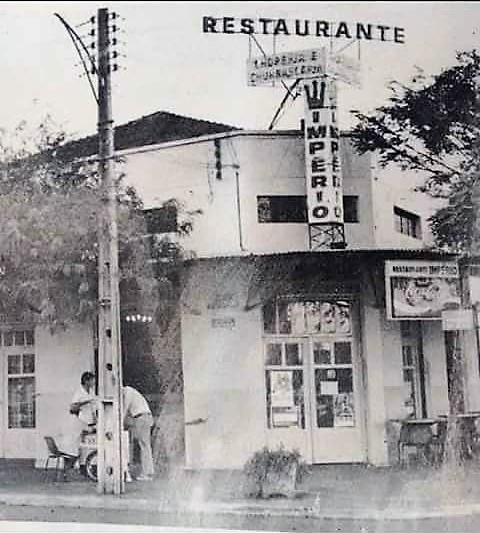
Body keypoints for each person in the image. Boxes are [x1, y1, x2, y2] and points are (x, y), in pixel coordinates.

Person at [123, 385, 154, 481]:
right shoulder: (131, 391)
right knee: (145, 445)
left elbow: (125, 408)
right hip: (143, 417)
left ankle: (147, 473)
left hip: (141, 417)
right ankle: (148, 472)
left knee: (144, 445)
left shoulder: (127, 392)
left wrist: (119, 420)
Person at [69, 371, 97, 476]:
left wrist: (96, 420)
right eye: (92, 380)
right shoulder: (79, 393)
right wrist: (85, 402)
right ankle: (79, 467)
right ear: (86, 381)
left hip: (90, 421)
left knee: (88, 446)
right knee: (80, 445)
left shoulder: (91, 392)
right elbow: (72, 408)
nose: (94, 382)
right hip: (82, 421)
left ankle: (87, 467)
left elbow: (93, 407)